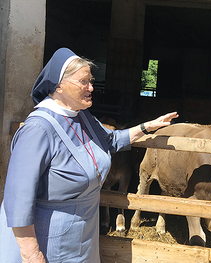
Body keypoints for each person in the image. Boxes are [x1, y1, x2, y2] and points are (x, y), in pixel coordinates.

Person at [0, 47, 178, 262]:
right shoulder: (37, 129)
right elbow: (18, 198)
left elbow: (110, 140)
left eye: (91, 80)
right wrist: (31, 254)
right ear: (59, 85)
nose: (91, 87)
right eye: (84, 81)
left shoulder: (82, 117)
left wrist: (148, 127)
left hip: (84, 233)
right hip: (51, 238)